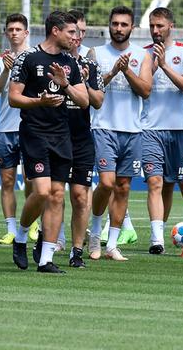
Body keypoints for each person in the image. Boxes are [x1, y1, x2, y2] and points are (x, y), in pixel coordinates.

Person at [9, 11, 88, 273]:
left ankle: (45, 260)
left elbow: (85, 101)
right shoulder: (28, 58)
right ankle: (21, 236)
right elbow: (13, 98)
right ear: (55, 30)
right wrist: (38, 102)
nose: (75, 37)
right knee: (41, 191)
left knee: (56, 196)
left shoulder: (71, 63)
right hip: (34, 132)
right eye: (71, 32)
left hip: (61, 134)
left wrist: (65, 85)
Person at [87, 6, 153, 261]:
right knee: (106, 183)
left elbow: (145, 90)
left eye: (124, 24)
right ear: (109, 25)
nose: (118, 28)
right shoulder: (96, 53)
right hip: (104, 127)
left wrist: (127, 71)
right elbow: (92, 90)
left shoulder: (141, 56)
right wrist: (114, 71)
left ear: (132, 28)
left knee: (123, 187)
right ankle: (94, 231)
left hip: (133, 131)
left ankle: (112, 244)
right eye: (115, 24)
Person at [142, 7, 183, 255]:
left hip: (179, 129)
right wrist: (153, 64)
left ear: (170, 26)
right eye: (152, 26)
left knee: (174, 183)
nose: (155, 30)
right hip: (149, 128)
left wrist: (165, 65)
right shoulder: (142, 54)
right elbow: (140, 88)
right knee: (154, 181)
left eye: (160, 26)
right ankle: (157, 239)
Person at [0, 13, 36, 245]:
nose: (14, 32)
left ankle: (32, 225)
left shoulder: (36, 57)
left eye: (18, 29)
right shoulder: (0, 60)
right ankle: (10, 229)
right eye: (11, 29)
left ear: (26, 32)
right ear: (6, 33)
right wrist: (7, 71)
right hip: (5, 129)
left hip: (30, 127)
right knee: (7, 181)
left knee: (31, 179)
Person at [64, 17, 105, 268]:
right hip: (54, 135)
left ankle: (76, 250)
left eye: (79, 33)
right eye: (71, 32)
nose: (75, 37)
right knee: (51, 194)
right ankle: (46, 241)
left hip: (81, 137)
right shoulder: (49, 61)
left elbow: (97, 101)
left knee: (80, 196)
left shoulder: (90, 64)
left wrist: (83, 82)